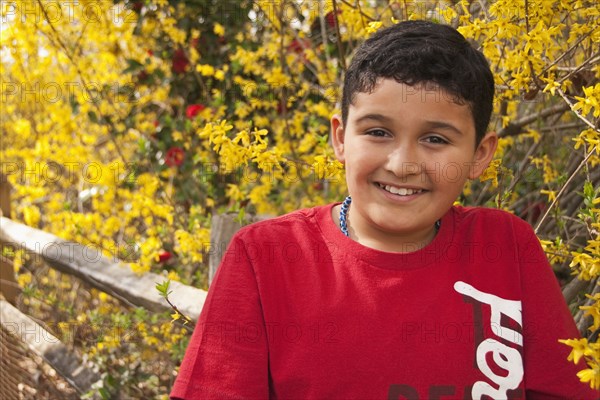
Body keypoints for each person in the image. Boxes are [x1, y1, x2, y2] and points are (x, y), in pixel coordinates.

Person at [171, 20, 597, 399]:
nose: (402, 164)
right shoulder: (265, 257)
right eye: (377, 132)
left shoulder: (505, 246)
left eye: (436, 140)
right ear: (340, 139)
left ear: (479, 155)